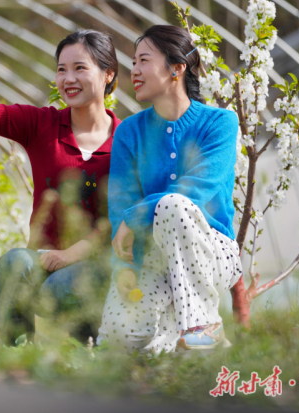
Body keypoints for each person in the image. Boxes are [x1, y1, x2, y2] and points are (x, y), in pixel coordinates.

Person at [0, 17, 121, 345]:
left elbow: (126, 215)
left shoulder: (127, 138)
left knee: (65, 290)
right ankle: (18, 353)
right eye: (62, 70)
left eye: (80, 68)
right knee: (15, 262)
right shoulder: (41, 124)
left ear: (108, 74)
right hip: (42, 260)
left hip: (97, 263)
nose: (68, 79)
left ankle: (90, 350)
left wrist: (73, 253)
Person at [97, 25, 242, 353]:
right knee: (118, 343)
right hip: (152, 254)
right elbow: (121, 202)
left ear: (176, 68)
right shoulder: (129, 132)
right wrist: (124, 267)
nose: (134, 70)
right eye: (133, 62)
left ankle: (202, 330)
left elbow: (195, 190)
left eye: (144, 61)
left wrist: (134, 218)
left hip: (212, 250)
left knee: (174, 205)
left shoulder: (220, 123)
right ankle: (176, 341)